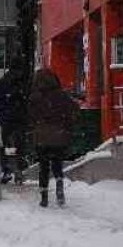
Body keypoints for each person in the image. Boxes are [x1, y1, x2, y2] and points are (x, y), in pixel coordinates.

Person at [29, 69, 79, 208]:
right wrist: (66, 126)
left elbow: (31, 116)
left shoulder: (35, 97)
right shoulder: (62, 96)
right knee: (57, 162)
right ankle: (59, 184)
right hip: (59, 136)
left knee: (43, 166)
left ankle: (44, 196)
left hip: (41, 137)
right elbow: (74, 111)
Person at [0, 58, 29, 185]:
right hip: (18, 118)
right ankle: (18, 170)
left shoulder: (3, 82)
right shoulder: (22, 82)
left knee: (2, 144)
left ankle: (6, 170)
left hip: (6, 118)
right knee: (19, 145)